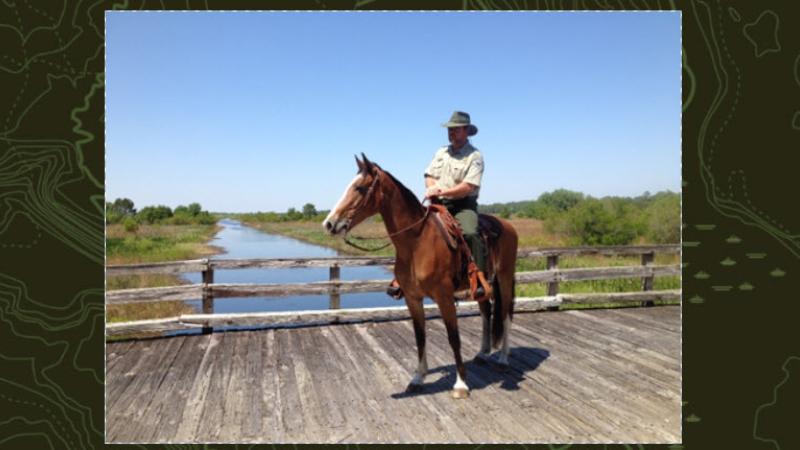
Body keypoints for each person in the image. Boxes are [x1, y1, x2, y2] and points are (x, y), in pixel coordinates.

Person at [387, 111, 488, 299]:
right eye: (450, 130)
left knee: (470, 232)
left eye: (455, 129)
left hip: (462, 205)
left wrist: (443, 192)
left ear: (466, 131)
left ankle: (478, 277)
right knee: (411, 230)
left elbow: (468, 186)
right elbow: (429, 175)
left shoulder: (475, 156)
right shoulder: (441, 152)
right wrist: (432, 188)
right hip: (437, 202)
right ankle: (404, 276)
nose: (451, 133)